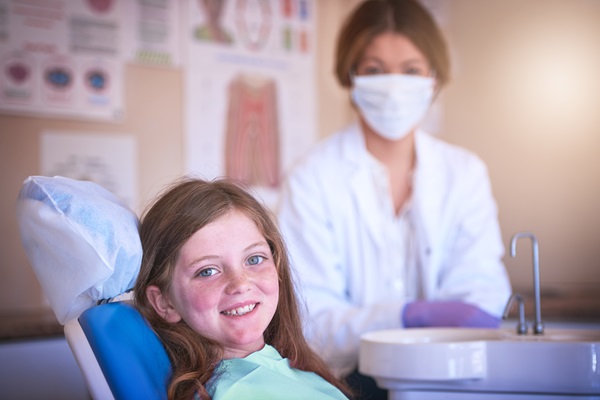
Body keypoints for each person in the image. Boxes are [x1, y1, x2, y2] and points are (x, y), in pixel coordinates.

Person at [277, 0, 512, 398]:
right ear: (350, 76)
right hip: (348, 381)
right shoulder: (311, 178)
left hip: (452, 376)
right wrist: (409, 316)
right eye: (373, 70)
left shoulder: (464, 173)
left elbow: (482, 292)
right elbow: (311, 320)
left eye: (411, 70)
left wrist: (421, 329)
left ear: (434, 78)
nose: (393, 86)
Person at [133, 178, 352, 400]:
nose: (240, 284)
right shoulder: (233, 392)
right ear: (165, 302)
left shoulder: (285, 366)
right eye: (207, 271)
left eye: (254, 259)